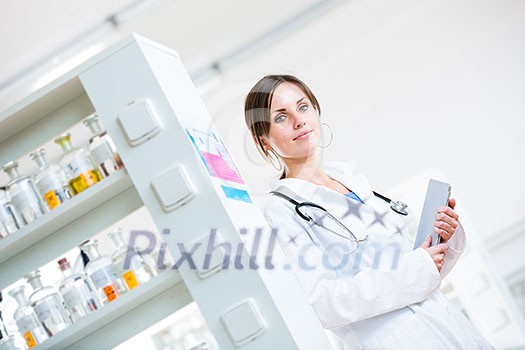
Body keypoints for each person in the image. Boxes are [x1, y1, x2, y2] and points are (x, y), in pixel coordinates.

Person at [244, 74, 492, 349]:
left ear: (316, 111)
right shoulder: (282, 210)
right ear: (263, 140)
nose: (298, 120)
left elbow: (420, 274)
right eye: (280, 117)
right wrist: (414, 269)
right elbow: (321, 302)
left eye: (303, 107)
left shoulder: (354, 183)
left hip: (450, 326)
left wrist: (444, 239)